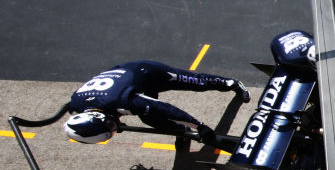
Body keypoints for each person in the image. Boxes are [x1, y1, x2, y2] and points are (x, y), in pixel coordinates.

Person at [64, 60, 249, 145]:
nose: (116, 127)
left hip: (147, 73)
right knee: (151, 121)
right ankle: (181, 132)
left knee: (196, 82)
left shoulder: (124, 101)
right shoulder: (76, 103)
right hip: (126, 81)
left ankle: (231, 83)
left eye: (112, 125)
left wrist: (200, 126)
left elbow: (166, 109)